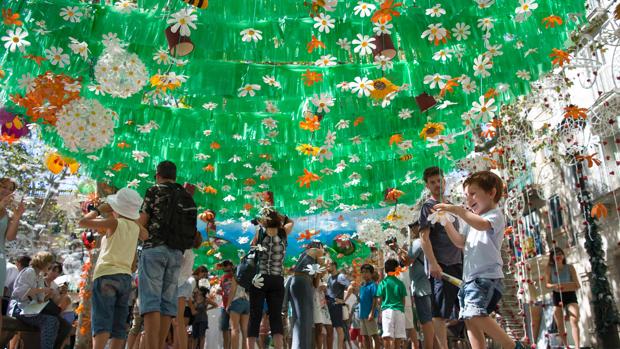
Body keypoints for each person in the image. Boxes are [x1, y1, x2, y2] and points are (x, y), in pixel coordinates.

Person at [433, 171, 526, 349]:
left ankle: (512, 346)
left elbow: (482, 225)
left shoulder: (494, 215)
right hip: (469, 280)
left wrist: (458, 211)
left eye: (473, 194)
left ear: (491, 193)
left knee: (474, 315)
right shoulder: (471, 221)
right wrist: (446, 222)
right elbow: (460, 242)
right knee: (470, 320)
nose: (469, 200)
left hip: (485, 277)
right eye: (466, 196)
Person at [79, 187, 147, 349]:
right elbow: (146, 236)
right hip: (124, 278)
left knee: (102, 318)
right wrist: (132, 216)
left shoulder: (113, 222)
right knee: (119, 323)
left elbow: (83, 222)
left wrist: (97, 210)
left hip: (106, 275)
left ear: (116, 208)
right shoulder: (136, 228)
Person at [139, 161, 197, 349]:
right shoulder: (186, 196)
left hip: (154, 248)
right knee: (166, 304)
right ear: (174, 176)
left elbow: (143, 220)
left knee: (151, 302)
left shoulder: (154, 191)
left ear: (158, 175)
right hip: (176, 253)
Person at [418, 167, 462, 349]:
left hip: (458, 262)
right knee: (439, 312)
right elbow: (424, 238)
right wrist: (434, 264)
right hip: (441, 267)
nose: (437, 184)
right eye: (433, 182)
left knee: (465, 309)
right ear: (427, 185)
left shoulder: (450, 205)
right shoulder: (428, 207)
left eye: (439, 180)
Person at [247, 208, 294, 349]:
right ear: (278, 220)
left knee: (255, 316)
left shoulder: (260, 232)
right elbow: (291, 221)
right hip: (277, 279)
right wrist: (280, 217)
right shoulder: (283, 232)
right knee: (275, 318)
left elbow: (251, 247)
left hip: (259, 278)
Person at [9, 251, 65, 349]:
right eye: (49, 263)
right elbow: (20, 293)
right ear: (43, 262)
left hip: (30, 310)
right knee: (50, 321)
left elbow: (40, 300)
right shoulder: (29, 272)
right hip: (20, 309)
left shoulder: (39, 276)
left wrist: (49, 294)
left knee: (56, 321)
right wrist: (43, 289)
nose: (50, 265)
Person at [289, 240, 325, 349]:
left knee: (305, 321)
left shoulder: (312, 260)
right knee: (302, 320)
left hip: (307, 284)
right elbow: (319, 253)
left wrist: (318, 271)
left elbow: (315, 283)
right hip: (302, 283)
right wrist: (321, 260)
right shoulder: (310, 252)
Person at [0, 178, 25, 333]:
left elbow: (9, 237)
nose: (7, 190)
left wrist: (17, 216)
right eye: (3, 186)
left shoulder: (7, 214)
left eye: (11, 189)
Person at [545, 247, 581, 349]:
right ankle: (567, 346)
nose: (558, 256)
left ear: (563, 256)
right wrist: (554, 286)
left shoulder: (570, 267)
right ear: (552, 257)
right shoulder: (549, 268)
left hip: (570, 295)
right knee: (560, 324)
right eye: (555, 254)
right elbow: (547, 284)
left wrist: (568, 285)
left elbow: (577, 284)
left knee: (574, 319)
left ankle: (578, 347)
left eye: (560, 253)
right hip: (557, 296)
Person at [409, 222, 435, 349]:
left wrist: (397, 249)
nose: (411, 228)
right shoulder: (431, 241)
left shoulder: (418, 242)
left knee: (426, 320)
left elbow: (407, 260)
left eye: (412, 225)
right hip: (431, 285)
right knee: (433, 319)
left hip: (421, 288)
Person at [376, 259, 407, 349]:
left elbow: (379, 299)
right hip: (399, 310)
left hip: (387, 311)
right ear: (396, 268)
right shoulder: (400, 283)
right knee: (398, 337)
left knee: (387, 336)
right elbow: (403, 300)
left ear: (385, 269)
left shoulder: (383, 283)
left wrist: (381, 308)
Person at [326, 260, 350, 349]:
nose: (327, 267)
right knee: (329, 329)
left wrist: (343, 301)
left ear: (334, 265)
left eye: (328, 265)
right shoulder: (329, 277)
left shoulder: (340, 276)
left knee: (339, 328)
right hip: (329, 305)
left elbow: (350, 286)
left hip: (336, 306)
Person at [226, 263, 251, 349]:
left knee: (234, 329)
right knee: (245, 330)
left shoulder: (236, 278)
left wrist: (228, 305)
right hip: (247, 303)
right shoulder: (248, 279)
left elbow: (232, 291)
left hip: (236, 302)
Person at [358, 264, 380, 349]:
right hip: (362, 314)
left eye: (367, 272)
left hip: (370, 315)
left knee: (374, 335)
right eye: (363, 272)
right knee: (365, 336)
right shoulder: (362, 286)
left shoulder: (373, 285)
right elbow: (361, 300)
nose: (364, 274)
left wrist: (372, 312)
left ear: (371, 274)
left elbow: (375, 299)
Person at [220, 260, 235, 349]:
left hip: (233, 305)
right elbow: (222, 290)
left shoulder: (235, 276)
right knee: (225, 329)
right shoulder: (223, 277)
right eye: (224, 265)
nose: (225, 267)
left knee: (233, 329)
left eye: (226, 265)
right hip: (224, 305)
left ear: (231, 265)